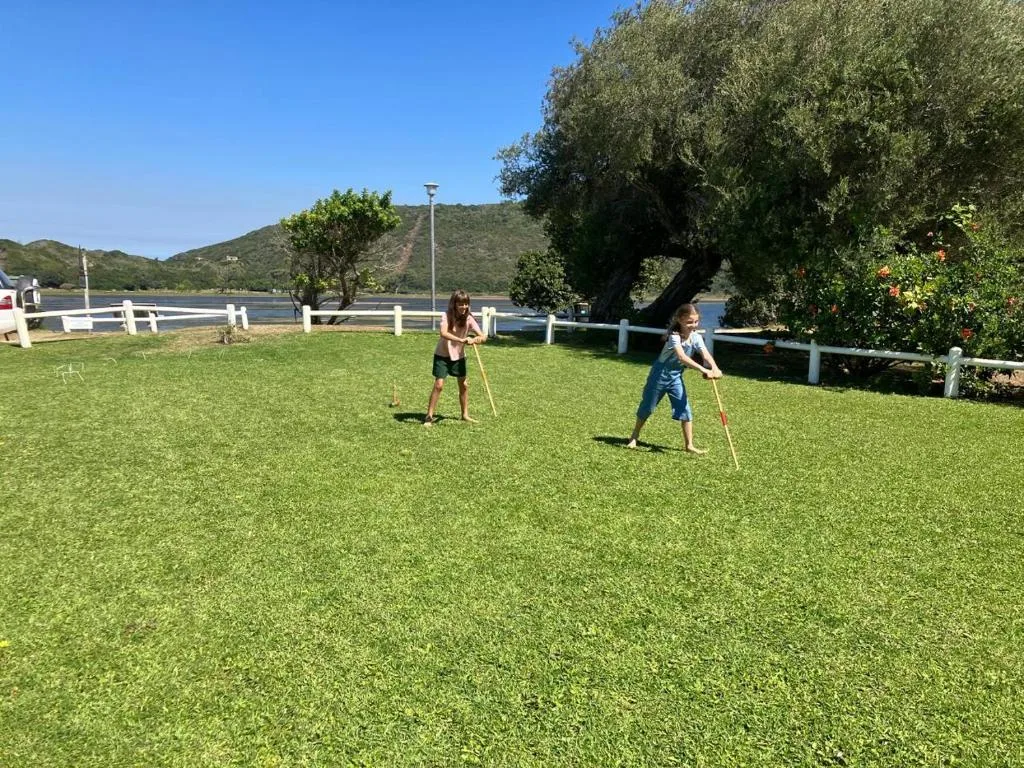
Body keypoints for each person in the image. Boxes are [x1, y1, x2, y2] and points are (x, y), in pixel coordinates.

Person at [626, 303, 722, 454]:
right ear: (679, 320)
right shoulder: (674, 337)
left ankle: (689, 445)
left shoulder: (696, 337)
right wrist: (703, 369)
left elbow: (705, 354)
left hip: (676, 376)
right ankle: (634, 436)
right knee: (648, 406)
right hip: (659, 375)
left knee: (684, 408)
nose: (693, 325)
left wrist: (715, 368)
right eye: (689, 322)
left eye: (696, 322)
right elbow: (682, 357)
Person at [424, 289, 486, 425]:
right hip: (442, 355)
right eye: (460, 304)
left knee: (463, 385)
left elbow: (483, 336)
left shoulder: (469, 318)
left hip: (459, 356)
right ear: (454, 304)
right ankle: (429, 416)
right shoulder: (446, 316)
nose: (463, 307)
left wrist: (475, 339)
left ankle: (465, 415)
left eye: (466, 304)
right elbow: (443, 333)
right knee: (439, 385)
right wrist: (461, 340)